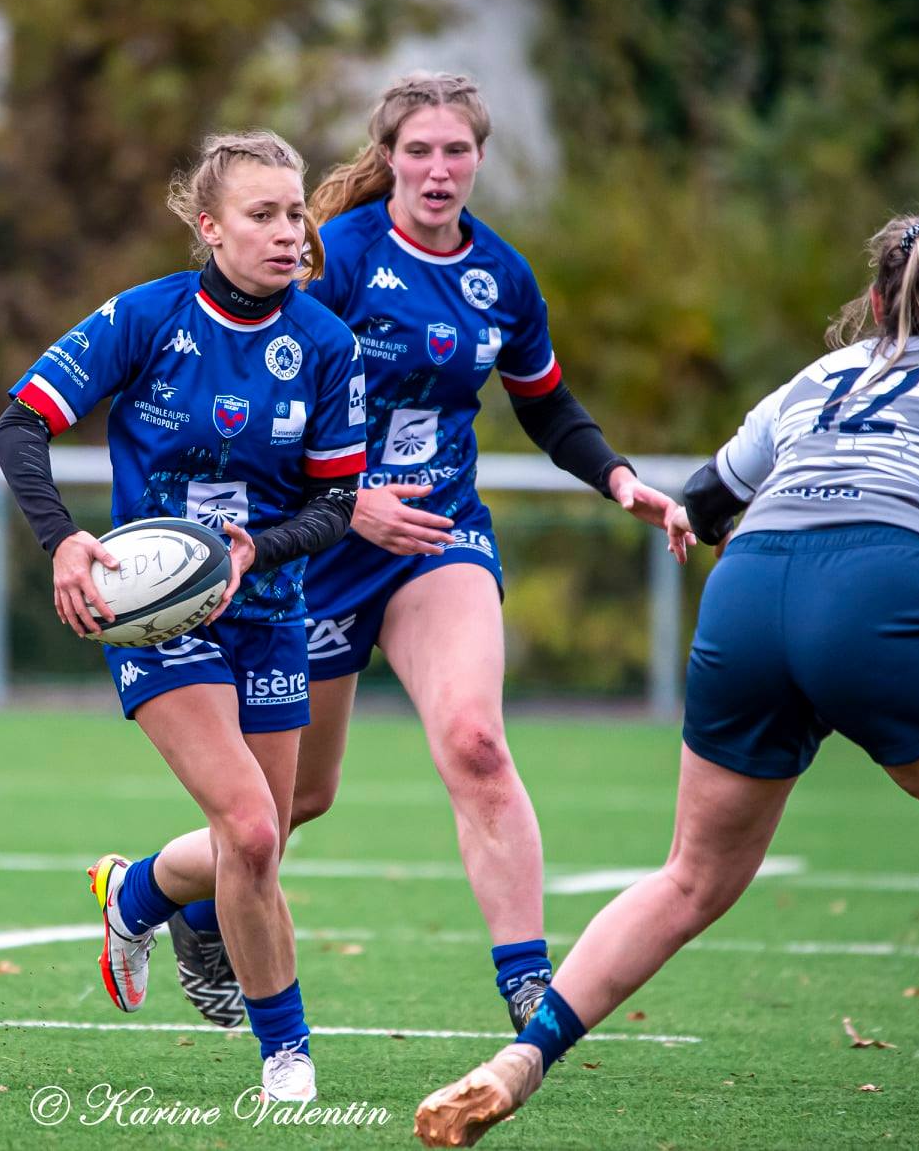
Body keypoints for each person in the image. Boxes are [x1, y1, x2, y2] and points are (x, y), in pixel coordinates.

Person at [415, 211, 919, 1150]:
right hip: (881, 593)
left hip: (747, 593)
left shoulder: (819, 375)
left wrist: (694, 525)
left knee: (691, 876)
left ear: (874, 301)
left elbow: (710, 498)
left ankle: (524, 1055)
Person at [157, 72, 683, 1034]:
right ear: (389, 157)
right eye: (419, 151)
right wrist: (349, 507)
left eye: (457, 151)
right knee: (292, 809)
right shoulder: (335, 259)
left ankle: (529, 983)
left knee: (477, 743)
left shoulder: (502, 278)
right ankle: (166, 901)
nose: (439, 170)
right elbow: (270, 408)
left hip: (438, 539)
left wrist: (618, 478)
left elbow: (547, 403)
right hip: (313, 554)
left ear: (480, 157)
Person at [0, 131, 368, 1104]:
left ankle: (137, 893)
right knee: (246, 830)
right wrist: (65, 542)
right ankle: (288, 1056)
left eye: (297, 214)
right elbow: (20, 422)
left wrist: (258, 551)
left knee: (266, 837)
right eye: (263, 214)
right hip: (159, 619)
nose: (289, 233)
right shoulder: (149, 318)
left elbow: (337, 504)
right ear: (210, 226)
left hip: (274, 612)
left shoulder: (325, 345)